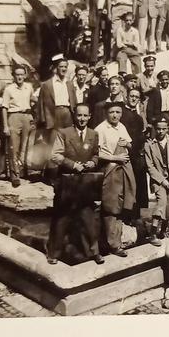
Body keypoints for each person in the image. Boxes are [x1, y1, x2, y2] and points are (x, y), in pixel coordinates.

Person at [46, 103, 102, 265]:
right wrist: (72, 165)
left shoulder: (93, 134)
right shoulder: (63, 133)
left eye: (85, 115)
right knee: (62, 218)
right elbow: (55, 155)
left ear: (90, 116)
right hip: (68, 181)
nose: (82, 119)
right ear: (74, 116)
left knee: (89, 218)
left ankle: (93, 252)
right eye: (79, 115)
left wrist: (93, 162)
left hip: (86, 183)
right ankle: (53, 253)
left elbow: (97, 155)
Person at [95, 102, 136, 257]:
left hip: (123, 169)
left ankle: (114, 241)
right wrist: (115, 157)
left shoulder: (121, 127)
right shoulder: (101, 128)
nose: (115, 115)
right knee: (110, 206)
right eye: (112, 112)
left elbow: (129, 145)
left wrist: (127, 144)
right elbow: (96, 152)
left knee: (121, 205)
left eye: (118, 112)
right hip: (110, 168)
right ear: (106, 113)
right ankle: (112, 245)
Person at [144, 117, 169, 246]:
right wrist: (163, 182)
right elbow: (150, 167)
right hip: (158, 181)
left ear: (168, 129)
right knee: (161, 202)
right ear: (155, 129)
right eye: (158, 129)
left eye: (163, 129)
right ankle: (152, 234)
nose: (161, 132)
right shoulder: (149, 144)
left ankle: (163, 231)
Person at [2, 65, 35, 187]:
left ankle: (23, 171)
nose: (20, 77)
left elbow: (33, 100)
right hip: (13, 117)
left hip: (27, 117)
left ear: (25, 75)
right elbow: (4, 108)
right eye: (17, 74)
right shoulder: (9, 89)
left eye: (22, 74)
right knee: (13, 147)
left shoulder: (29, 87)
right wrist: (5, 125)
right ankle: (14, 175)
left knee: (25, 147)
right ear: (13, 76)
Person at [121, 88, 149, 218]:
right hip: (123, 151)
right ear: (127, 97)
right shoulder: (121, 113)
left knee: (140, 171)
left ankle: (136, 211)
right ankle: (124, 212)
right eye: (131, 96)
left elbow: (138, 136)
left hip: (135, 151)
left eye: (136, 97)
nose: (133, 99)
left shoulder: (138, 117)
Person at [36, 55, 77, 138]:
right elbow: (40, 104)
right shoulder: (47, 84)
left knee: (68, 138)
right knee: (54, 139)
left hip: (67, 113)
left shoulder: (69, 84)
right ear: (56, 68)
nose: (64, 69)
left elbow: (74, 101)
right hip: (53, 113)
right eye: (61, 66)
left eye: (65, 67)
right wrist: (43, 120)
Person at [88, 0, 112, 65]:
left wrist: (108, 10)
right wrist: (91, 18)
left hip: (106, 15)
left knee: (106, 36)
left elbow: (113, 2)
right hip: (96, 14)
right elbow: (91, 6)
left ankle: (107, 58)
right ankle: (93, 59)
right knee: (94, 37)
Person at [146, 70, 169, 135]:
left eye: (166, 79)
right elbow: (150, 106)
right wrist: (151, 119)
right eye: (162, 80)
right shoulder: (156, 90)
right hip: (159, 114)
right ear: (160, 80)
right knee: (158, 133)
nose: (164, 81)